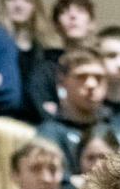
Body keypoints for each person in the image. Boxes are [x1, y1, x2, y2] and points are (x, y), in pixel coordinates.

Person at [37, 46, 109, 178]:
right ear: (62, 81)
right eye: (81, 76)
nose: (91, 84)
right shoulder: (48, 134)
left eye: (98, 77)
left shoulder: (117, 130)